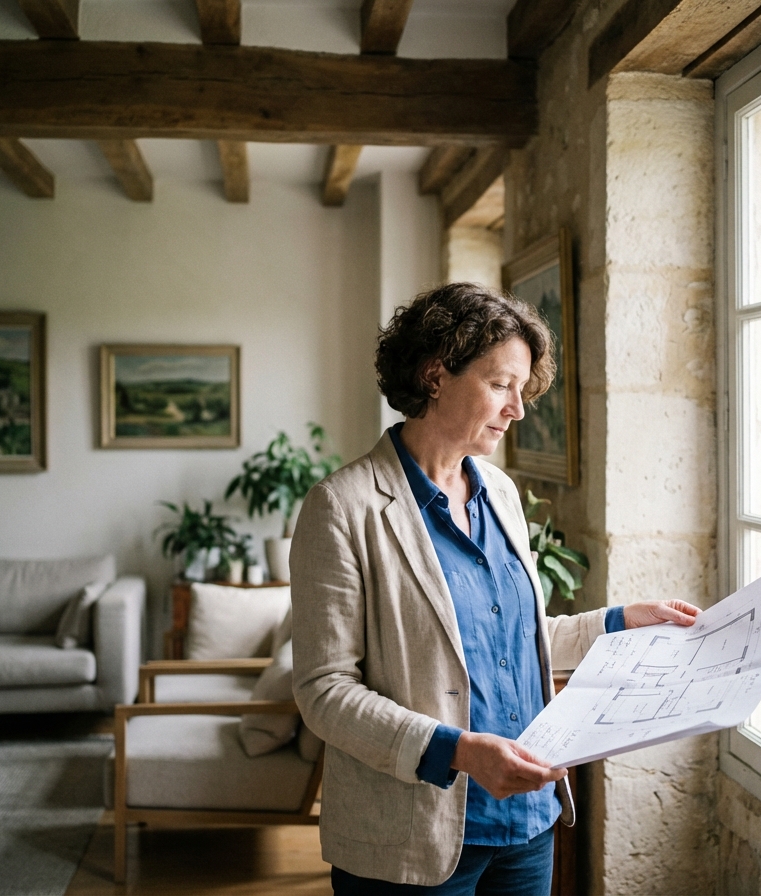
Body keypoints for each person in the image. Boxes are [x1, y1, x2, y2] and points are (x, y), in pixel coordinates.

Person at [290, 283, 700, 895]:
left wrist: (618, 623)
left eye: (523, 388)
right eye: (501, 384)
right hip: (414, 840)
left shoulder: (501, 493)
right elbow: (325, 691)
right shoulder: (341, 507)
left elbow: (509, 641)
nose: (518, 409)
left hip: (528, 825)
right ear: (434, 375)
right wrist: (459, 752)